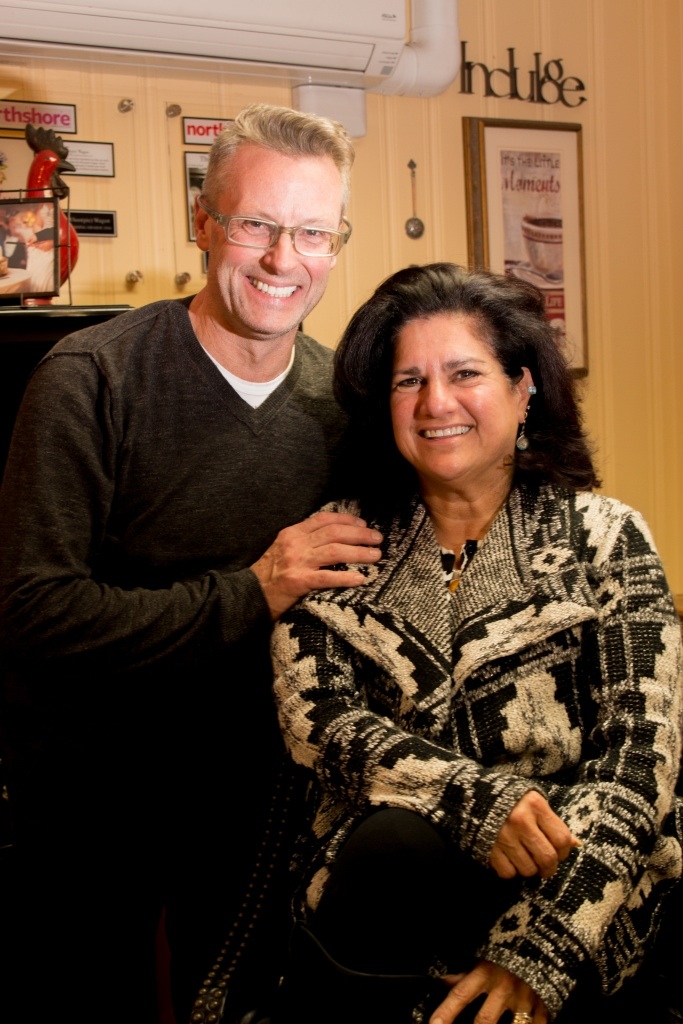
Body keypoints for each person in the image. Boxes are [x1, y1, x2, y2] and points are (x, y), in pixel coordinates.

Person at [0, 103, 384, 1024]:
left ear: (337, 243)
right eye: (254, 224)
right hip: (91, 797)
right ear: (203, 222)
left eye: (309, 233)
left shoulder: (345, 408)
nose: (280, 260)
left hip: (261, 800)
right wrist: (252, 591)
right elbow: (33, 609)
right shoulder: (91, 377)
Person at [271, 263, 683, 1024]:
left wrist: (543, 949)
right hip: (389, 885)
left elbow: (639, 760)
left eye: (464, 373)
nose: (435, 404)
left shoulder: (605, 537)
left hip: (575, 880)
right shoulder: (337, 540)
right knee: (390, 845)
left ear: (523, 389)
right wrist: (475, 800)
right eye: (408, 382)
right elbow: (318, 724)